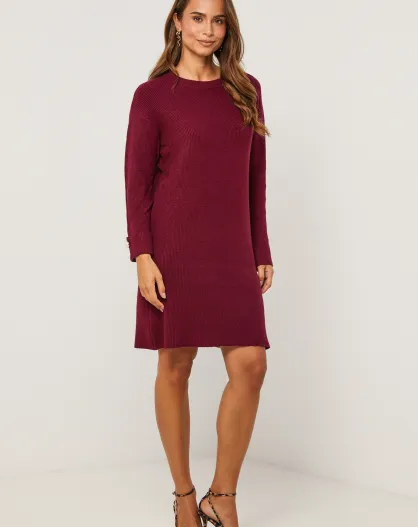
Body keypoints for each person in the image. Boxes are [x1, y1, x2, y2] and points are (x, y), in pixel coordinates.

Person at [123, 1, 274, 525]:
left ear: (228, 27)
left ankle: (221, 495)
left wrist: (261, 248)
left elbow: (255, 177)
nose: (208, 30)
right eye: (197, 18)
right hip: (173, 248)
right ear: (177, 22)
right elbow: (137, 183)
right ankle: (185, 496)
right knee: (175, 365)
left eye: (218, 20)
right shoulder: (152, 97)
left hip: (231, 246)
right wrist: (142, 254)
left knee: (250, 364)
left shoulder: (246, 89)